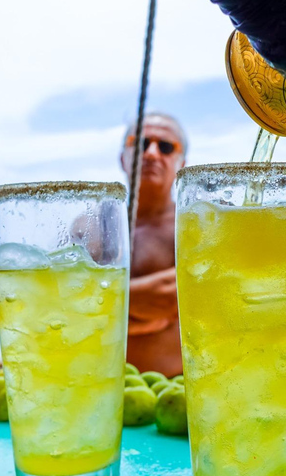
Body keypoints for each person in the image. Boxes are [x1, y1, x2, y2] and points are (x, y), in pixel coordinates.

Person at [120, 113, 186, 377]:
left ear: (182, 163)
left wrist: (111, 309)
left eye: (166, 146)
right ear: (122, 157)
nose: (152, 153)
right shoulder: (91, 226)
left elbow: (176, 293)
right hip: (100, 391)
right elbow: (66, 305)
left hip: (176, 394)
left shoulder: (198, 225)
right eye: (141, 143)